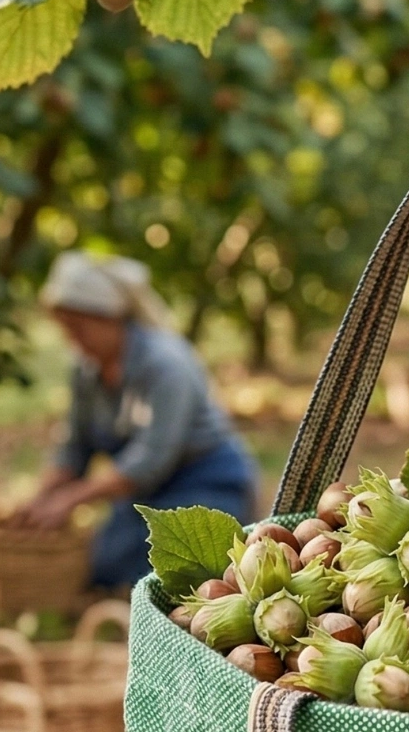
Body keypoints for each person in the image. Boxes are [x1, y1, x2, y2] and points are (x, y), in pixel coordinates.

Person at [21, 252, 258, 589]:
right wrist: (40, 498)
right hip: (144, 498)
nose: (72, 340)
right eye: (65, 329)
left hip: (202, 485)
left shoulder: (166, 365)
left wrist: (71, 499)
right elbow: (75, 446)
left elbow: (151, 459)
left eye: (79, 328)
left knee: (159, 578)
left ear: (111, 318)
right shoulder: (85, 370)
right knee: (103, 568)